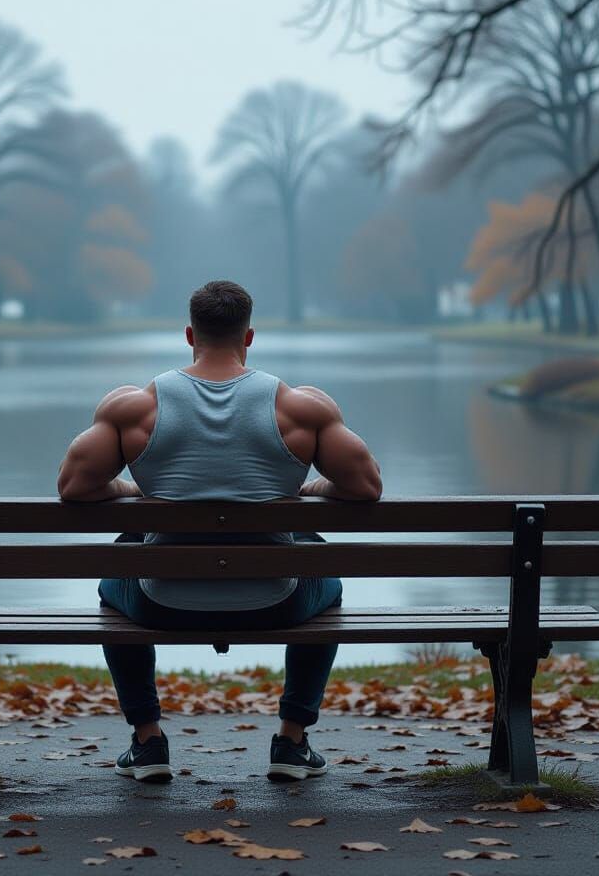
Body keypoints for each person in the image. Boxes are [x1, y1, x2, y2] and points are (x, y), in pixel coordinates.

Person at [56, 279, 382, 783]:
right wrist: (308, 489)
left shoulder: (134, 408)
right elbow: (365, 486)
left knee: (117, 571)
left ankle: (148, 741)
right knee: (324, 572)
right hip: (276, 604)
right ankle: (292, 741)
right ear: (248, 337)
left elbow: (75, 486)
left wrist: (135, 492)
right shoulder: (300, 408)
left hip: (161, 604)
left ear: (190, 335)